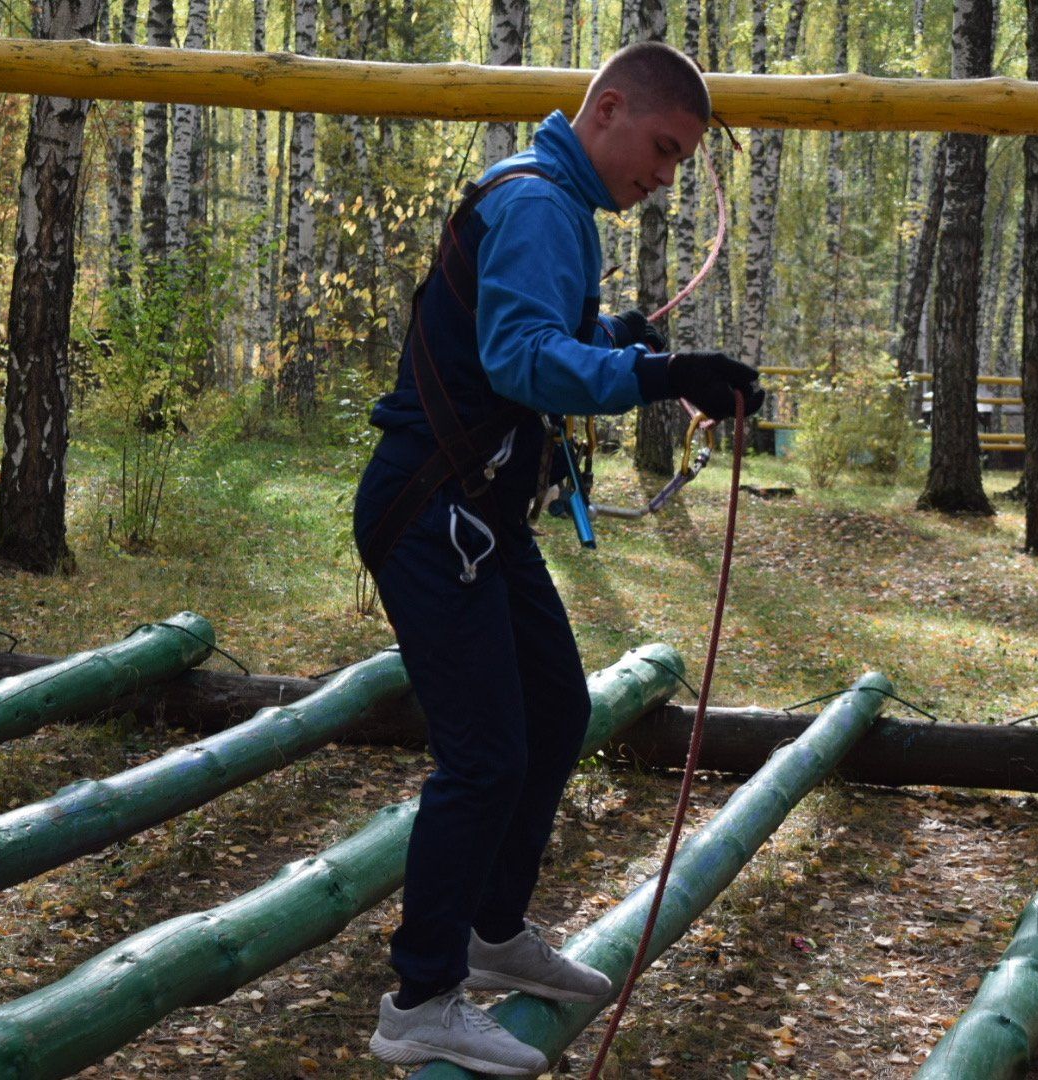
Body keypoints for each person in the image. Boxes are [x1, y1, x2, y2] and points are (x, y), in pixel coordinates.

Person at [353, 42, 764, 1075]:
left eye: (680, 163)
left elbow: (540, 335)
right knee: (486, 750)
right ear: (610, 109)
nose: (665, 179)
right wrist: (664, 370)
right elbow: (521, 359)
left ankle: (493, 934)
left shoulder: (552, 208)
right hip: (434, 514)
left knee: (556, 712)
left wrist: (629, 340)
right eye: (662, 150)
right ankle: (422, 996)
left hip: (476, 517)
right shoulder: (541, 204)